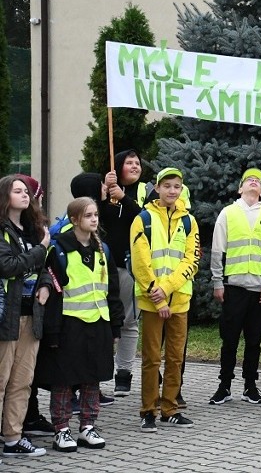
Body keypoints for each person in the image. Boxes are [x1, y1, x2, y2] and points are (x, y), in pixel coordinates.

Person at [37, 197, 124, 452]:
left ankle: (88, 425)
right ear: (74, 220)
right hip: (69, 325)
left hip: (98, 323)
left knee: (92, 377)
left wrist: (115, 326)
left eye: (95, 215)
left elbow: (112, 291)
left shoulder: (103, 250)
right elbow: (54, 294)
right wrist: (52, 331)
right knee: (64, 379)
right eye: (88, 216)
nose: (94, 219)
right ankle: (61, 429)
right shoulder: (59, 250)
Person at [131, 168, 200, 433]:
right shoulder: (143, 219)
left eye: (177, 186)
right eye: (167, 186)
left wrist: (168, 288)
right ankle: (148, 409)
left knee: (175, 358)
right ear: (157, 188)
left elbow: (191, 259)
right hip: (152, 302)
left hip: (179, 299)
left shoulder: (189, 221)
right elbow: (140, 262)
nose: (172, 191)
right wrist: (157, 296)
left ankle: (170, 408)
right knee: (151, 359)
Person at [209, 169, 261, 405]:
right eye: (249, 179)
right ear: (240, 189)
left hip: (257, 289)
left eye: (258, 180)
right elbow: (218, 250)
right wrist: (218, 282)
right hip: (233, 288)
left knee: (254, 341)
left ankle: (250, 386)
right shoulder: (228, 213)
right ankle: (224, 386)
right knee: (229, 340)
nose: (253, 182)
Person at [0, 175, 50, 458]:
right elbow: (7, 266)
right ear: (4, 196)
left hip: (31, 316)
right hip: (7, 317)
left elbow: (43, 265)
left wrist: (44, 284)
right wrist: (41, 248)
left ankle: (13, 438)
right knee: (1, 380)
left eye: (26, 192)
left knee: (22, 381)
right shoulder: (2, 229)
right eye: (17, 191)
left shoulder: (31, 229)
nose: (24, 195)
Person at [102, 149, 146, 397]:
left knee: (129, 322)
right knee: (102, 323)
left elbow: (149, 218)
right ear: (117, 166)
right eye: (129, 162)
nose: (134, 166)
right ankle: (96, 375)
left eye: (137, 162)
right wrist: (106, 192)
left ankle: (124, 373)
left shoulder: (145, 190)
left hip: (129, 267)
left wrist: (125, 199)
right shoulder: (103, 189)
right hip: (102, 269)